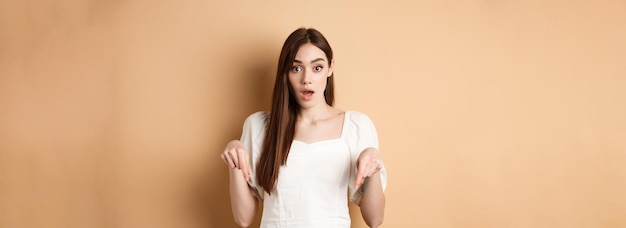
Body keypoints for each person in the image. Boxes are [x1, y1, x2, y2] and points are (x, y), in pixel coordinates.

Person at [220, 27, 387, 228]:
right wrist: (235, 163)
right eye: (296, 68)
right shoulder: (259, 127)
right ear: (285, 72)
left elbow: (375, 219)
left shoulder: (357, 126)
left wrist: (374, 166)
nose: (306, 79)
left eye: (317, 68)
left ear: (330, 68)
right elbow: (243, 218)